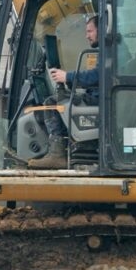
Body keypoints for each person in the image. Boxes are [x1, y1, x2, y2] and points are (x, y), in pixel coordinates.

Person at [27, 15, 99, 169]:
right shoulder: (109, 50)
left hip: (99, 100)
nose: (87, 36)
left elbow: (96, 76)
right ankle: (58, 150)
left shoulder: (109, 52)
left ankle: (57, 154)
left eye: (90, 31)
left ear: (103, 30)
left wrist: (67, 76)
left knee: (51, 103)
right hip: (98, 96)